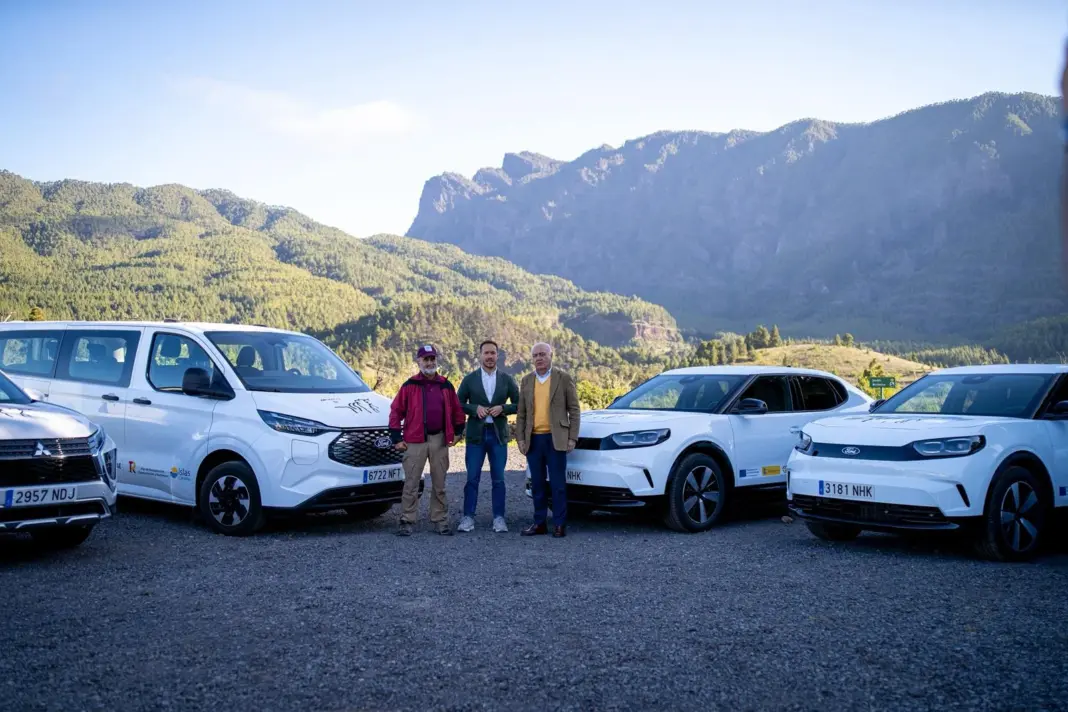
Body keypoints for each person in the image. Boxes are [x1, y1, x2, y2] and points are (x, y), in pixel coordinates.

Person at [388, 344, 465, 536]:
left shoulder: (445, 385)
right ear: (419, 361)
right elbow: (396, 411)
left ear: (436, 360)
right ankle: (407, 520)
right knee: (411, 483)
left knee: (440, 483)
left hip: (439, 440)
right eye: (426, 359)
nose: (430, 362)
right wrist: (396, 438)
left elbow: (458, 411)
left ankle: (440, 521)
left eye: (432, 358)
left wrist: (458, 432)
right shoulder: (410, 385)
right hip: (414, 441)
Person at [515, 342, 580, 538]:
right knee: (537, 484)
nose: (539, 358)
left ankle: (559, 524)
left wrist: (572, 438)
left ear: (551, 355)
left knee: (558, 485)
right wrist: (520, 439)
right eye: (535, 355)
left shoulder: (563, 378)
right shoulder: (526, 381)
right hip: (534, 439)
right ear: (532, 359)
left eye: (543, 354)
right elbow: (521, 413)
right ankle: (539, 523)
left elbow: (574, 410)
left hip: (556, 439)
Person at [456, 340, 520, 533]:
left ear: (498, 355)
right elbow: (458, 404)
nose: (490, 356)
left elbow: (519, 404)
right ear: (480, 355)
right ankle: (468, 518)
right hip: (476, 436)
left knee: (499, 479)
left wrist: (504, 408)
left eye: (493, 353)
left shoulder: (507, 379)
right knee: (472, 478)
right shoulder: (470, 379)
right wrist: (475, 409)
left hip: (498, 436)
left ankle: (499, 518)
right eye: (486, 353)